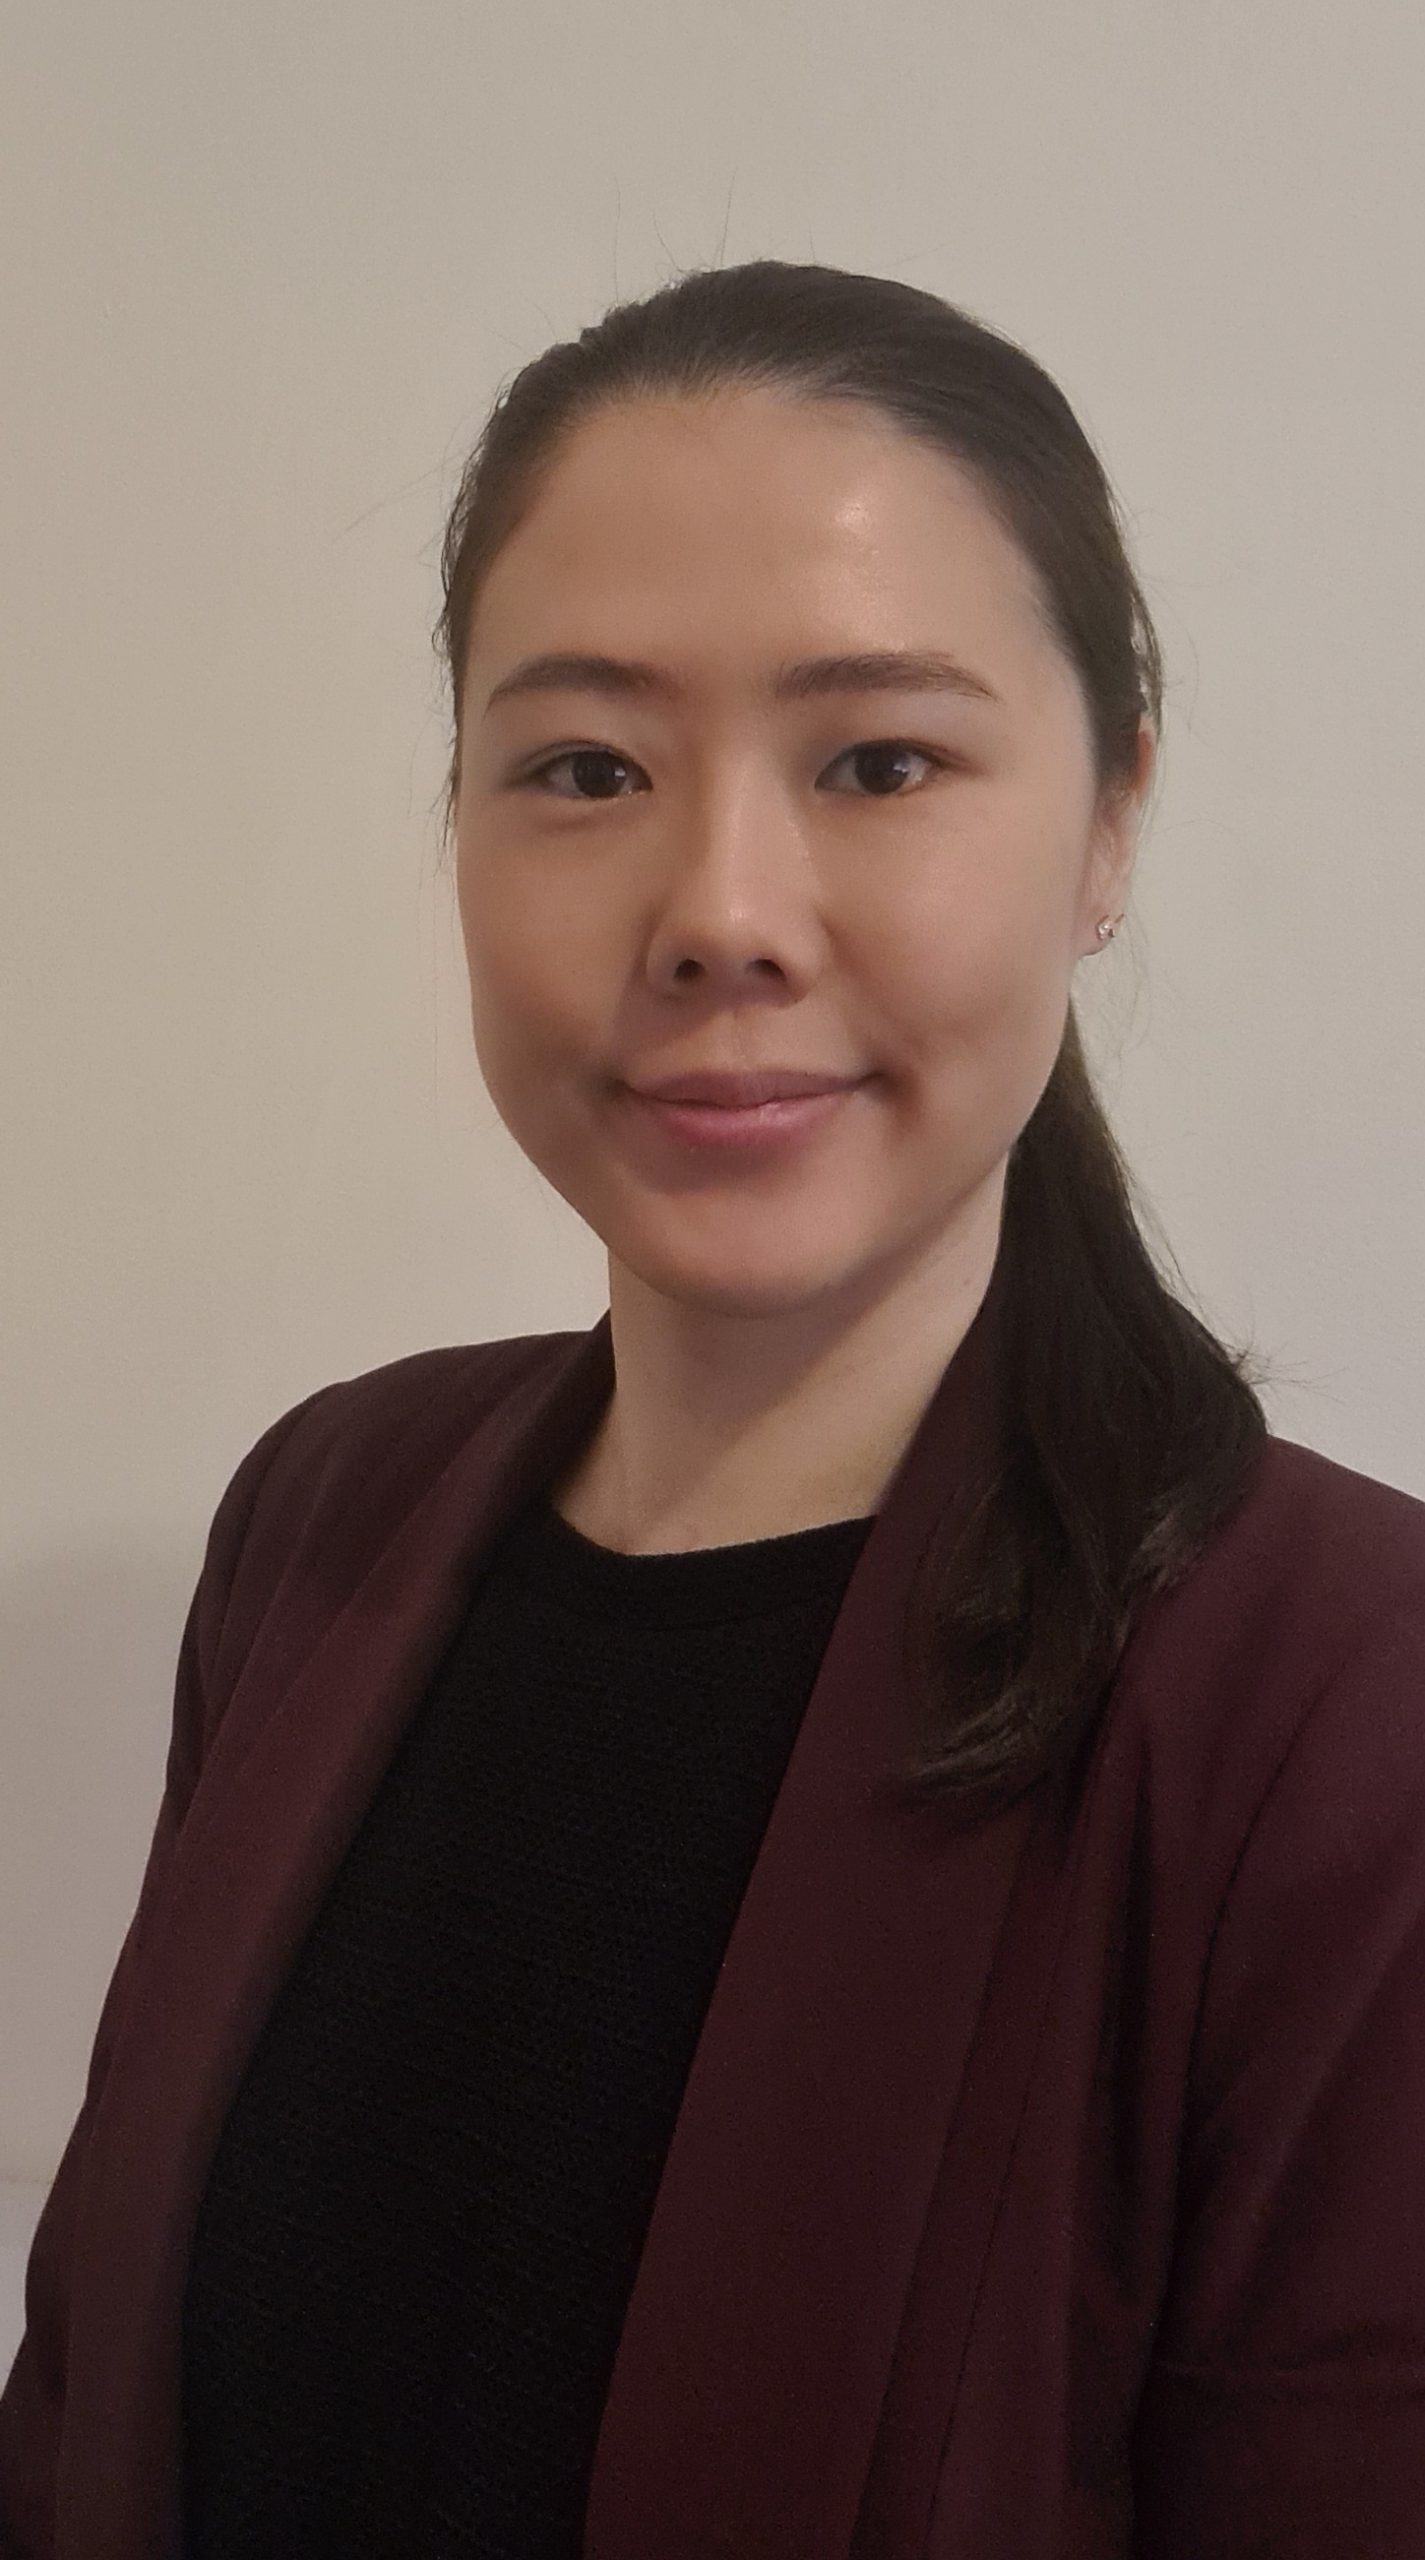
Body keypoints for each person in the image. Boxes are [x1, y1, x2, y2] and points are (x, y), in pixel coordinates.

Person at [3, 257, 1423, 2559]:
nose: (719, 910)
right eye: (584, 767)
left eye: (878, 761)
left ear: (1106, 819)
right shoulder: (323, 1515)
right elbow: (83, 2397)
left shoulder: (1340, 1697)